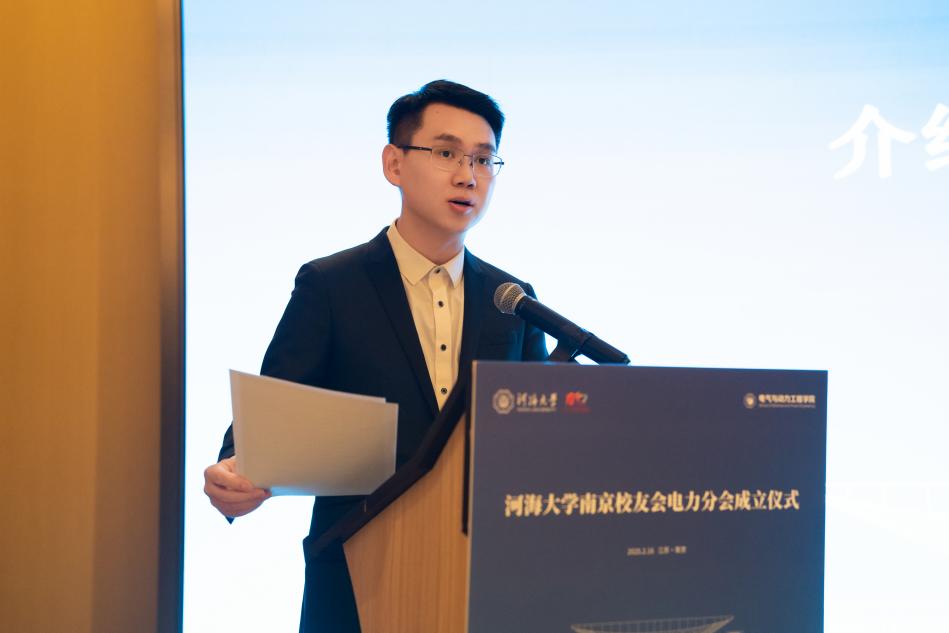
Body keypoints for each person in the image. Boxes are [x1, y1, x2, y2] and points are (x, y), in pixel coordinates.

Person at [203, 79, 548, 632]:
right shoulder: (331, 285)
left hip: (483, 578)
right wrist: (236, 468)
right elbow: (273, 412)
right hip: (359, 571)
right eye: (446, 153)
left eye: (484, 160)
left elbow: (543, 437)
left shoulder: (511, 299)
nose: (468, 175)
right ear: (394, 163)